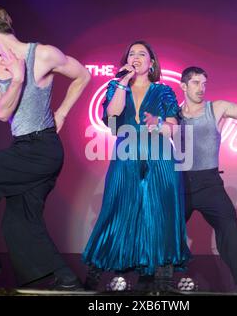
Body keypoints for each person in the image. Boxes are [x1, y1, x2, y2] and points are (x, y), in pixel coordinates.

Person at [0, 6, 90, 289]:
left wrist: (61, 113)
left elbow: (83, 75)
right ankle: (68, 279)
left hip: (44, 149)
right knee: (18, 223)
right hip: (22, 147)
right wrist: (17, 79)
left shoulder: (44, 54)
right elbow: (2, 112)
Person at [82, 40, 190, 291]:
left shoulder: (164, 91)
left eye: (142, 54)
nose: (136, 57)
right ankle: (92, 278)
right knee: (116, 210)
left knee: (161, 213)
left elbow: (173, 126)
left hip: (160, 157)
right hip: (126, 155)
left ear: (151, 63)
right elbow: (112, 118)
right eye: (132, 53)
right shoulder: (115, 86)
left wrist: (159, 123)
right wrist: (122, 82)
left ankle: (163, 278)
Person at [177, 66, 237, 292]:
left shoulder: (216, 108)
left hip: (209, 184)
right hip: (179, 184)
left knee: (229, 226)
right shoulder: (173, 115)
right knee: (164, 230)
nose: (201, 88)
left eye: (204, 83)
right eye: (196, 83)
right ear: (184, 86)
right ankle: (154, 281)